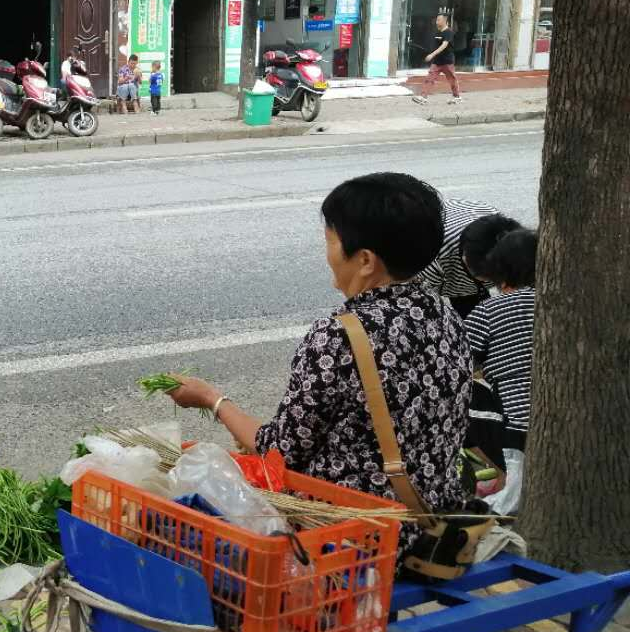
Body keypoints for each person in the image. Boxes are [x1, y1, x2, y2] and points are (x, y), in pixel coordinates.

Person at [159, 173, 473, 562]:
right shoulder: (446, 312)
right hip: (433, 518)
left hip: (361, 537)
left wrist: (212, 399)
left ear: (365, 261)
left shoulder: (339, 336)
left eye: (331, 242)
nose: (327, 253)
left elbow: (279, 449)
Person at [466, 229, 537, 515]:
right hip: (565, 419)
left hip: (514, 427)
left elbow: (458, 362)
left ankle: (501, 477)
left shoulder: (489, 310)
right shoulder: (569, 303)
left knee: (462, 390)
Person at [421, 203, 521, 317]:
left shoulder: (514, 239)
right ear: (465, 259)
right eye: (488, 277)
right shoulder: (435, 257)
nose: (503, 286)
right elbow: (424, 301)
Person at [411, 14, 463, 106]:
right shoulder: (437, 33)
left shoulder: (448, 32)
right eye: (436, 20)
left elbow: (444, 45)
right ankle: (423, 97)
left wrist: (431, 55)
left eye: (439, 20)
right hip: (437, 62)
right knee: (429, 78)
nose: (436, 22)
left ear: (444, 21)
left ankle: (457, 97)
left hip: (447, 62)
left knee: (452, 80)